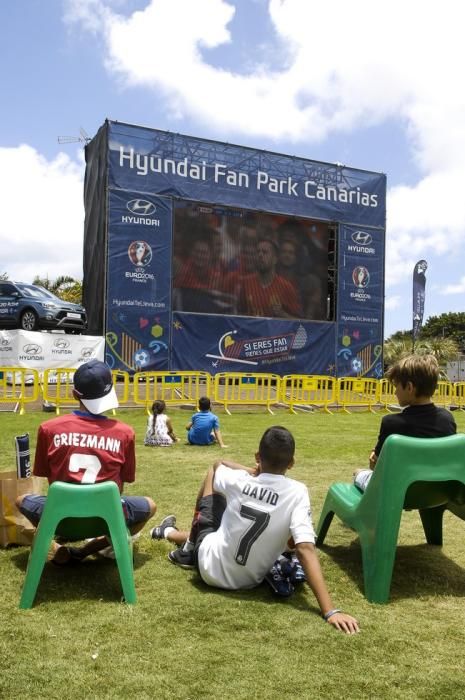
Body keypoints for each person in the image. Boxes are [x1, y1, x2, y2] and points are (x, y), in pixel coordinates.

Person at [151, 426, 359, 634]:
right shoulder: (297, 492)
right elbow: (304, 547)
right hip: (248, 580)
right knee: (285, 537)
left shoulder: (240, 480)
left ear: (258, 456)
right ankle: (168, 533)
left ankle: (186, 547)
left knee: (212, 478)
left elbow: (217, 465)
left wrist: (248, 470)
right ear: (292, 463)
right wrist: (329, 611)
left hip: (207, 565)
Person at [16, 359, 156, 564]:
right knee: (150, 505)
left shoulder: (49, 428)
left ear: (74, 394)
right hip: (106, 517)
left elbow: (48, 477)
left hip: (60, 516)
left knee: (21, 500)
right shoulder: (125, 432)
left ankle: (57, 548)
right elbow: (124, 483)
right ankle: (86, 551)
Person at [353, 354, 457, 491]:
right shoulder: (447, 418)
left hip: (399, 491)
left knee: (358, 473)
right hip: (438, 492)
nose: (395, 392)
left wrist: (373, 459)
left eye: (396, 386)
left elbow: (377, 467)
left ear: (409, 387)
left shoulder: (391, 423)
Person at [238, 238, 303, 319]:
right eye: (258, 252)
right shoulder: (246, 282)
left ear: (275, 259)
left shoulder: (286, 287)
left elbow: (300, 323)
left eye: (265, 252)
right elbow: (238, 314)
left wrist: (282, 314)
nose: (260, 255)